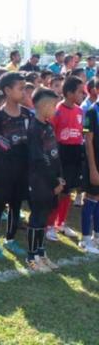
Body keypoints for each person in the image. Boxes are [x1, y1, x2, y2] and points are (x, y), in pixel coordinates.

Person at [0, 72, 32, 259]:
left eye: (25, 88)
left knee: (16, 204)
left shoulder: (27, 114)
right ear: (7, 90)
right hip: (3, 169)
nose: (24, 92)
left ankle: (10, 239)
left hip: (22, 169)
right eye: (20, 88)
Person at [26, 88, 63, 271]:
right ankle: (31, 257)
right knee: (37, 217)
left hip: (51, 181)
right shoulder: (34, 128)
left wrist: (60, 178)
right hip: (39, 181)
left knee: (44, 217)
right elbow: (39, 159)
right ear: (45, 106)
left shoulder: (48, 126)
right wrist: (54, 182)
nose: (56, 109)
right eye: (54, 105)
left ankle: (41, 253)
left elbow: (54, 154)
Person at [46, 76, 85, 241]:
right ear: (69, 93)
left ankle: (61, 223)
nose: (83, 94)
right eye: (80, 91)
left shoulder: (80, 111)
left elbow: (81, 133)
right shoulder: (57, 110)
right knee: (57, 190)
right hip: (60, 153)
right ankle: (49, 225)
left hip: (75, 153)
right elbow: (50, 136)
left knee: (68, 191)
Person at [80, 93, 99, 254]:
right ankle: (85, 239)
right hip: (94, 164)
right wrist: (93, 168)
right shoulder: (92, 112)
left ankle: (96, 236)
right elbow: (87, 140)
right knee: (91, 198)